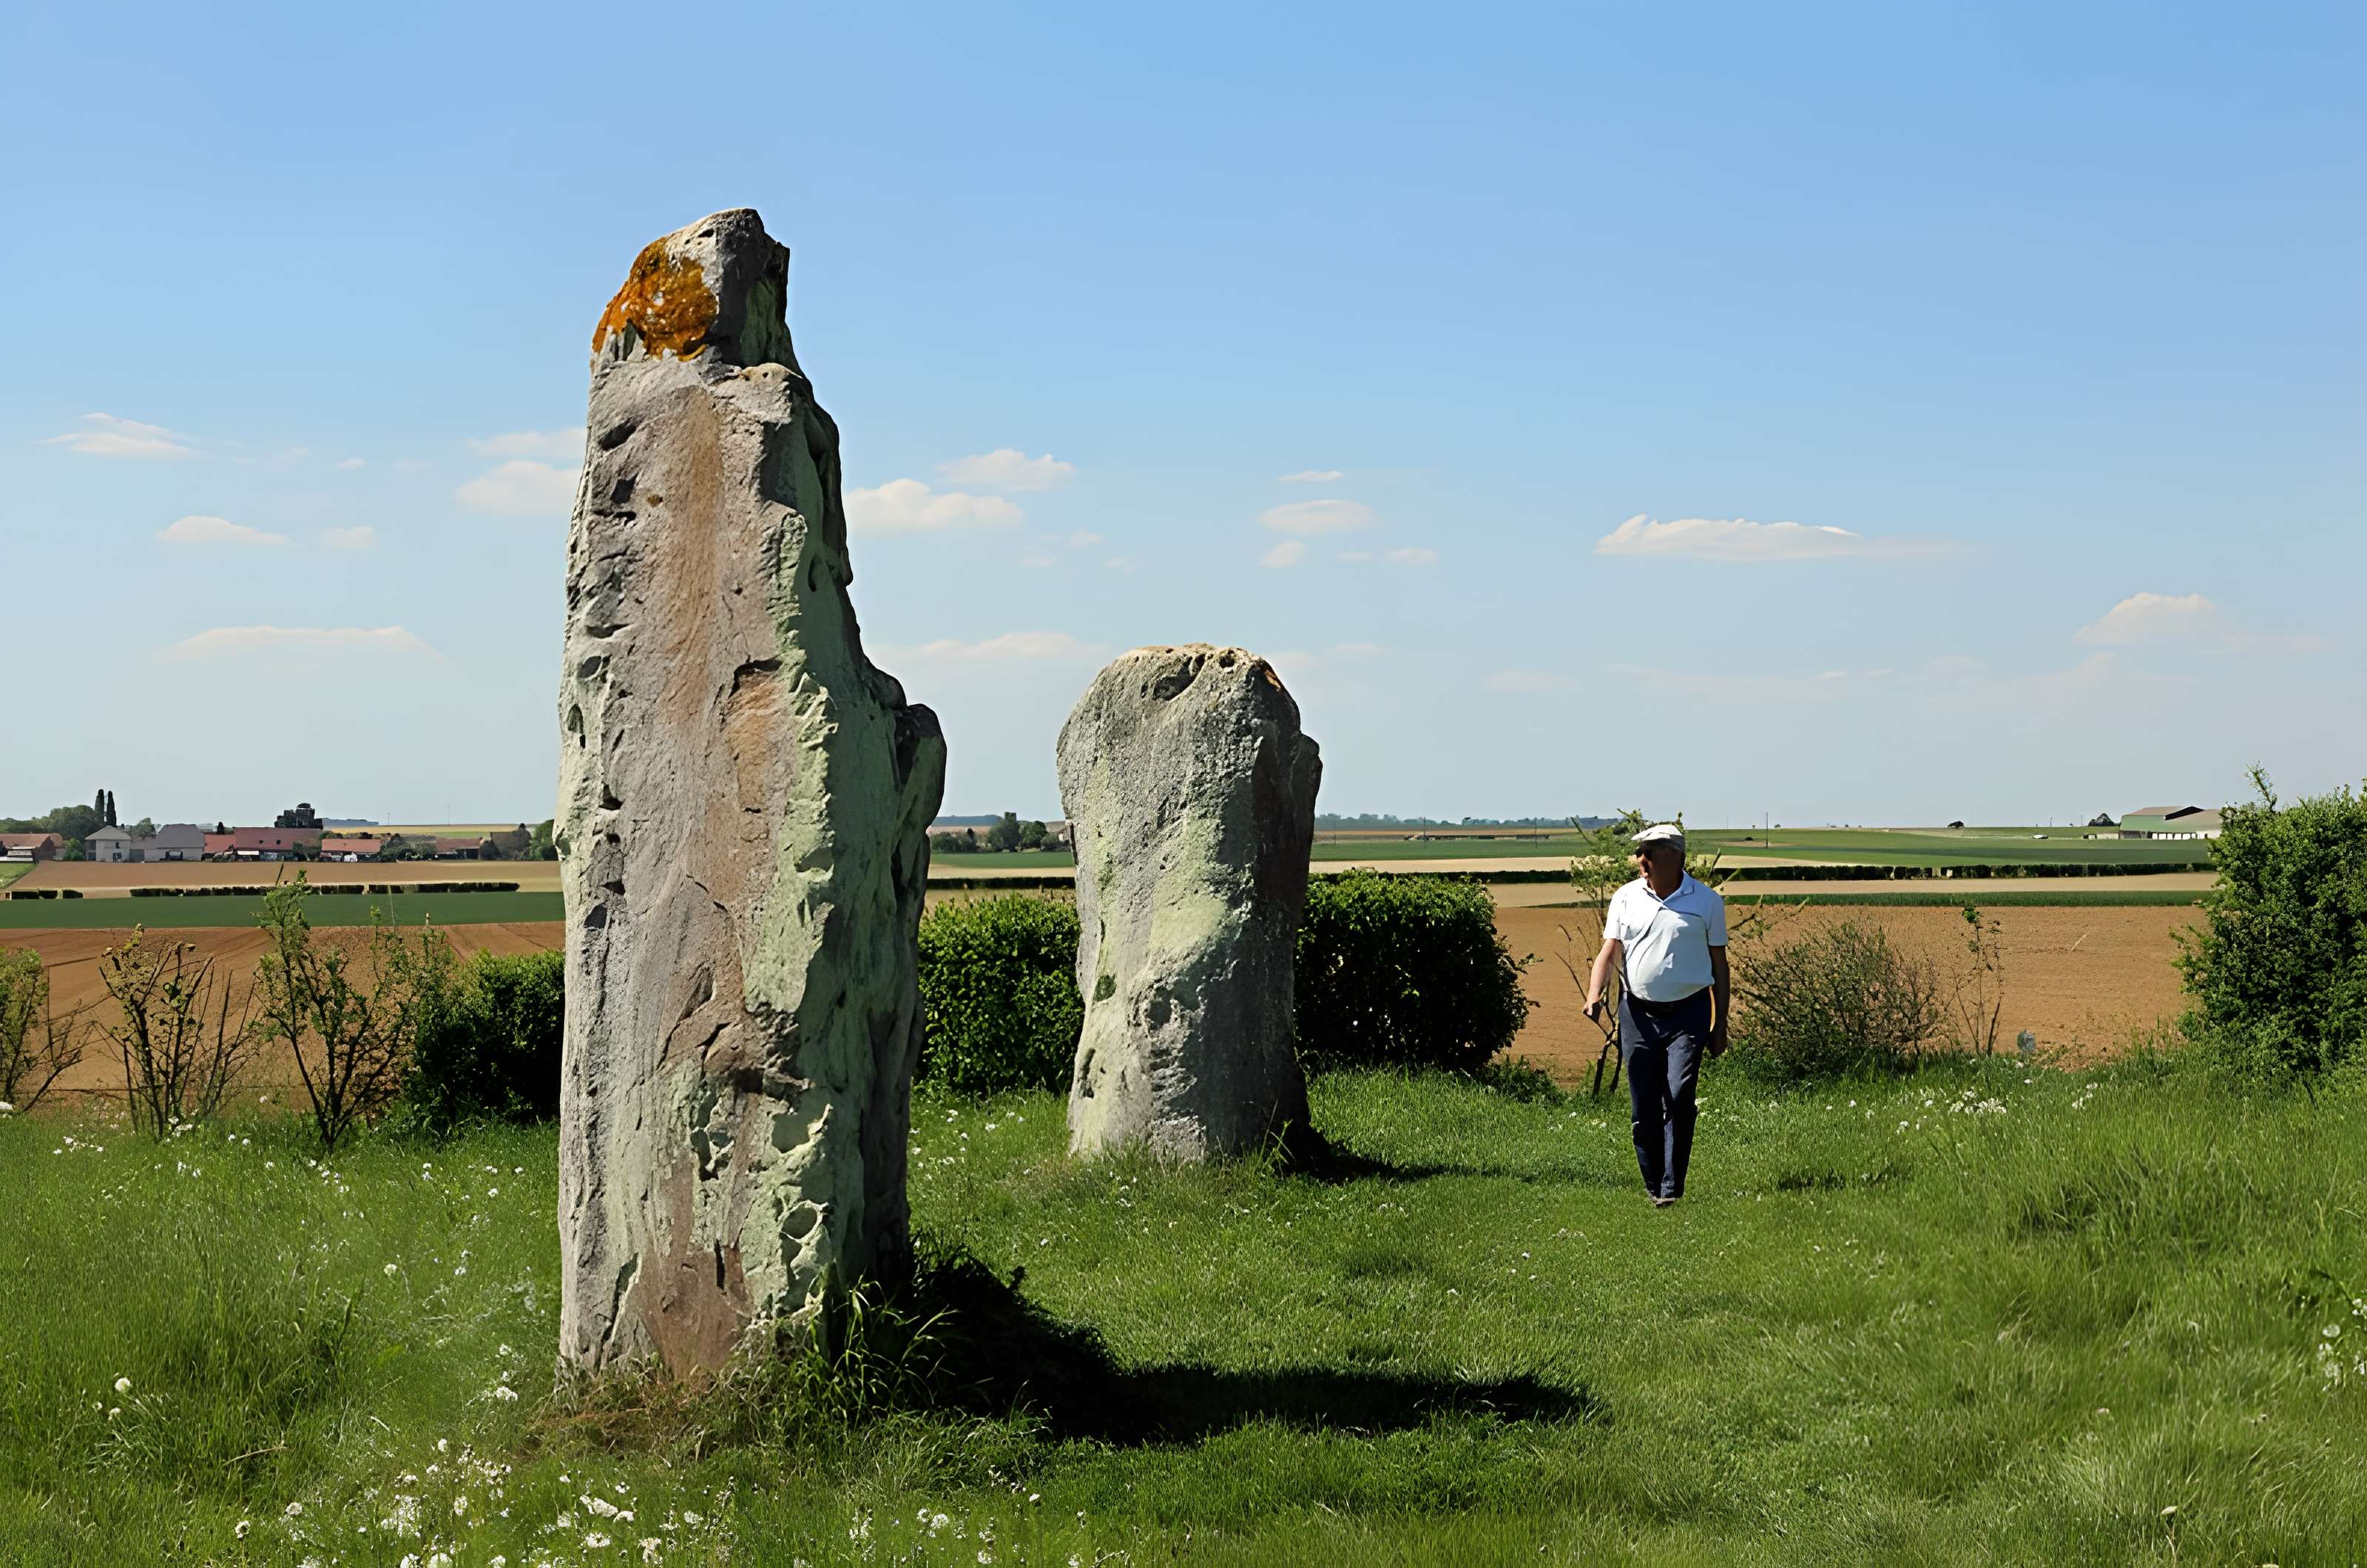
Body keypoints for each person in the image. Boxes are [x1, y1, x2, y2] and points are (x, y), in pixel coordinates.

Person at [1583, 823, 1729, 1206]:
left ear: (1674, 855)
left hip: (1689, 1013)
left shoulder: (1707, 902)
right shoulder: (1625, 897)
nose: (1640, 860)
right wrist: (1595, 993)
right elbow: (1608, 950)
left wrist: (1721, 1026)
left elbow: (1720, 967)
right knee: (1643, 1104)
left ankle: (1671, 1187)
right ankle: (1652, 1184)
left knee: (1680, 1096)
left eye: (1648, 852)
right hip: (1637, 1013)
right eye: (1639, 852)